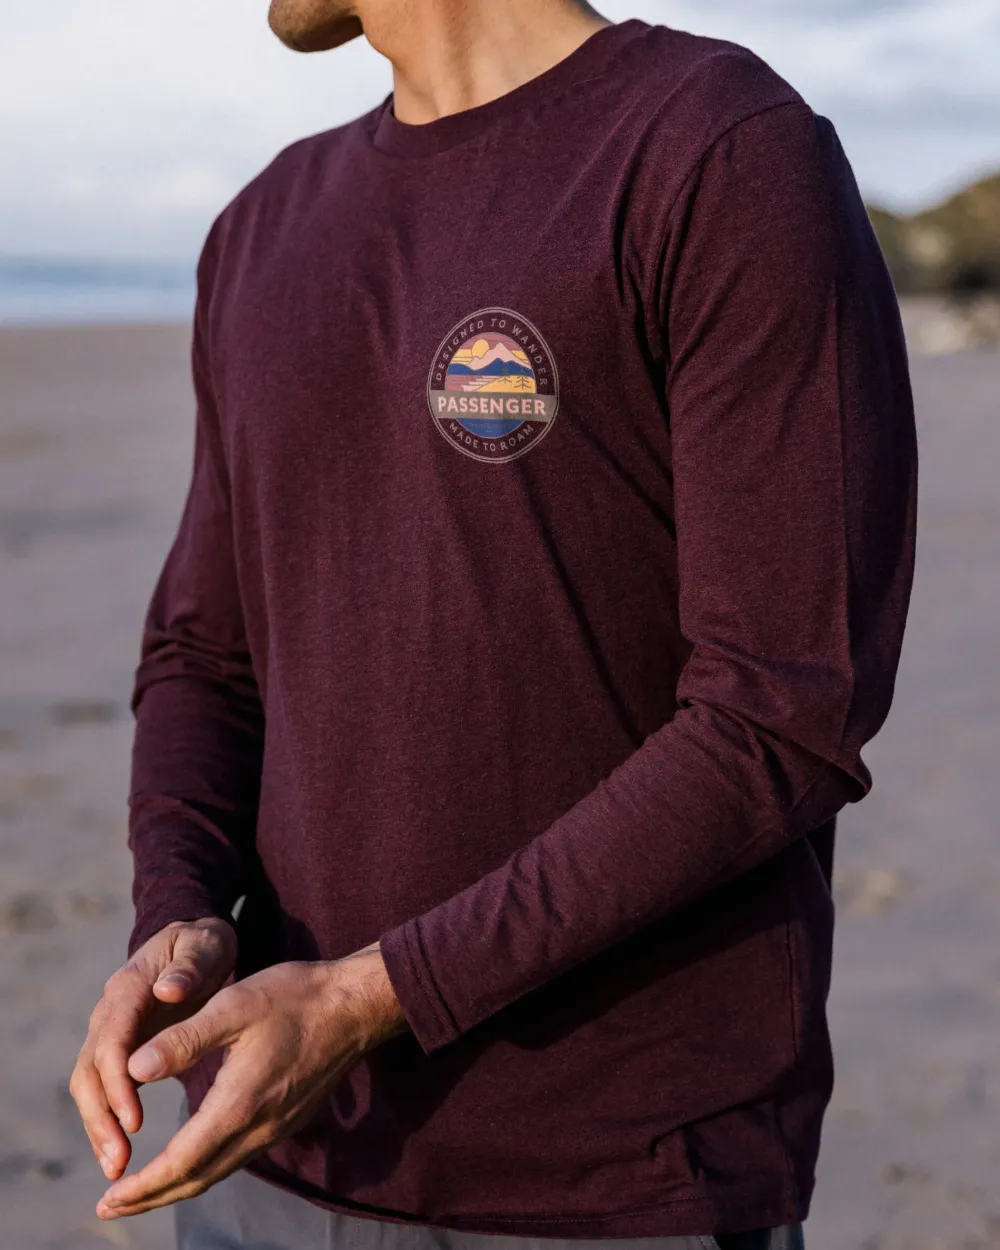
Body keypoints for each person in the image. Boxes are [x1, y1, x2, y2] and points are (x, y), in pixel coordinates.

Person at [69, 2, 918, 1248]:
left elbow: (783, 709)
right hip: (268, 1157)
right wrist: (177, 913)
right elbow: (206, 654)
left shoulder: (714, 149)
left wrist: (375, 995)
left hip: (613, 1174)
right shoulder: (261, 226)